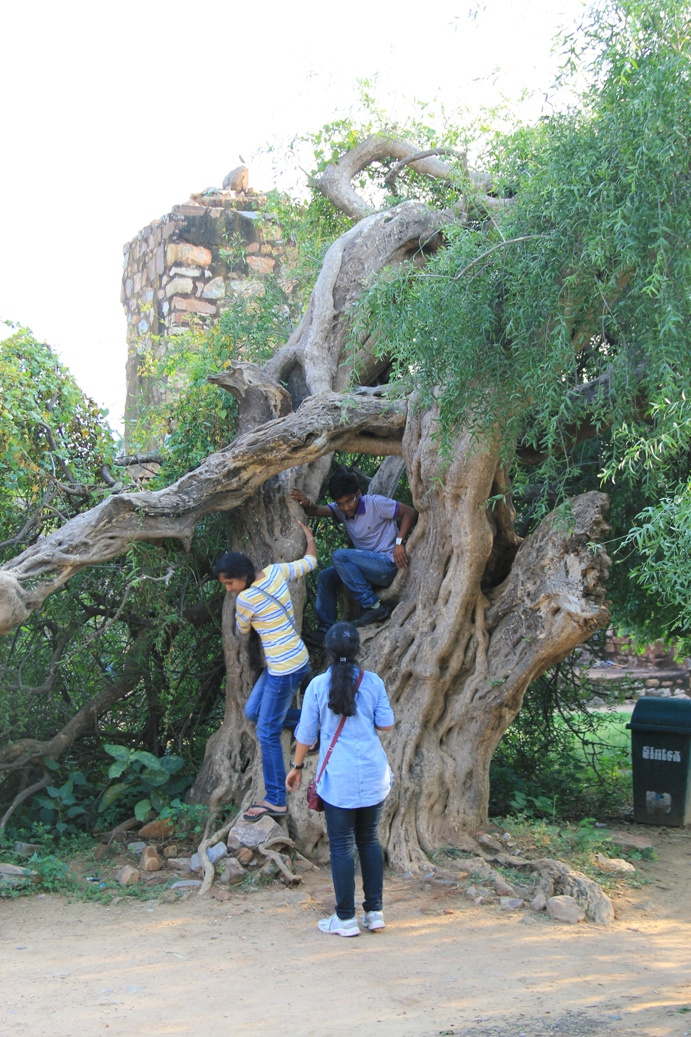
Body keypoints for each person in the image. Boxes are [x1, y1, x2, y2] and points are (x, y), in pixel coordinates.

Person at [286, 622, 395, 937]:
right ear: (359, 650)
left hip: (339, 777)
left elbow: (305, 734)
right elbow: (386, 725)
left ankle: (345, 918)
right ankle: (374, 913)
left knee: (342, 846)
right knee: (370, 840)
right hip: (375, 775)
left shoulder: (318, 686)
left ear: (328, 652)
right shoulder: (373, 682)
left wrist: (296, 767)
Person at [214, 521, 316, 822]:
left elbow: (242, 631)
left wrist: (240, 612)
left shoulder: (244, 599)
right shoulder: (275, 572)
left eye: (229, 584)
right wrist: (309, 535)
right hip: (295, 661)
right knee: (253, 711)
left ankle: (275, 799)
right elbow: (309, 562)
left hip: (283, 670)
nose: (229, 590)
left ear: (243, 577)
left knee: (267, 731)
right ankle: (313, 724)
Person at [290, 472, 417, 638]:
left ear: (358, 493)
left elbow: (410, 512)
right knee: (325, 577)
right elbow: (314, 510)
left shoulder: (375, 503)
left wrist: (399, 542)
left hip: (387, 565)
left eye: (349, 501)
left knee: (339, 556)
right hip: (366, 568)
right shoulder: (340, 510)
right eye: (340, 503)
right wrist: (307, 502)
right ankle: (325, 629)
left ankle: (373, 606)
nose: (345, 507)